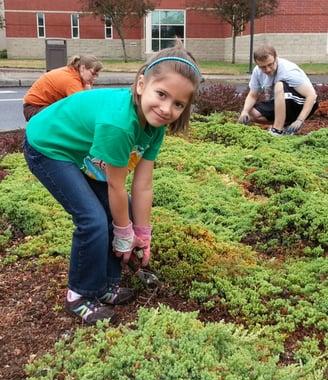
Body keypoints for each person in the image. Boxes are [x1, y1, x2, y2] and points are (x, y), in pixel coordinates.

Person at [23, 44, 202, 324]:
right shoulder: (120, 124)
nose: (167, 109)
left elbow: (142, 185)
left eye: (178, 104)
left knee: (121, 214)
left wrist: (141, 232)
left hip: (80, 153)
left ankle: (106, 285)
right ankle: (79, 295)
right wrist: (123, 231)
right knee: (93, 220)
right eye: (162, 94)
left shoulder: (155, 126)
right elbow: (116, 187)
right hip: (48, 147)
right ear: (142, 84)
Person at [238, 44, 318, 136]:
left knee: (279, 85)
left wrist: (299, 120)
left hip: (301, 103)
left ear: (276, 58)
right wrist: (245, 111)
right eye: (263, 67)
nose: (267, 69)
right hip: (282, 101)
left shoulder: (288, 71)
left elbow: (311, 95)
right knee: (251, 113)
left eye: (270, 64)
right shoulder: (257, 71)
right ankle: (285, 127)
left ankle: (277, 130)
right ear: (257, 64)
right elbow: (252, 95)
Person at [23, 54, 103, 121]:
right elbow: (81, 107)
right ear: (82, 68)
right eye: (93, 73)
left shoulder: (72, 71)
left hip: (40, 107)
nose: (95, 78)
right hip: (34, 109)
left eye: (97, 75)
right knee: (67, 120)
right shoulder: (71, 80)